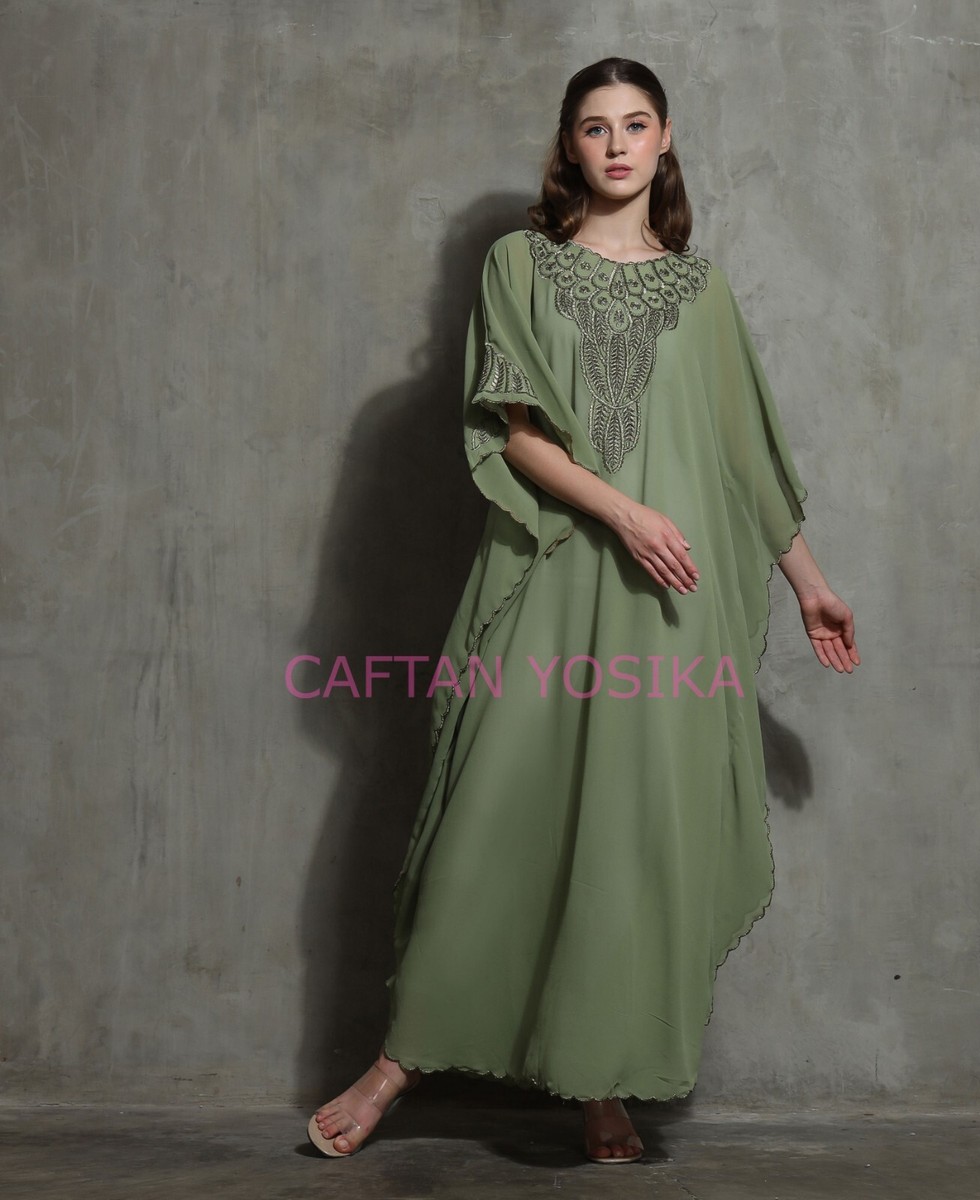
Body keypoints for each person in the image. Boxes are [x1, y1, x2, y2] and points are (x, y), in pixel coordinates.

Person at [307, 56, 859, 1164]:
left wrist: (810, 584)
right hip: (554, 572)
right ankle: (395, 1066)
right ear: (569, 145)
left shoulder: (702, 294)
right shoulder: (520, 264)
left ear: (666, 139)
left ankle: (600, 1084)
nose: (616, 145)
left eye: (635, 124)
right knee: (495, 818)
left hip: (671, 602)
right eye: (595, 127)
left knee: (629, 838)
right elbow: (514, 432)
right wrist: (626, 513)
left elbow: (746, 462)